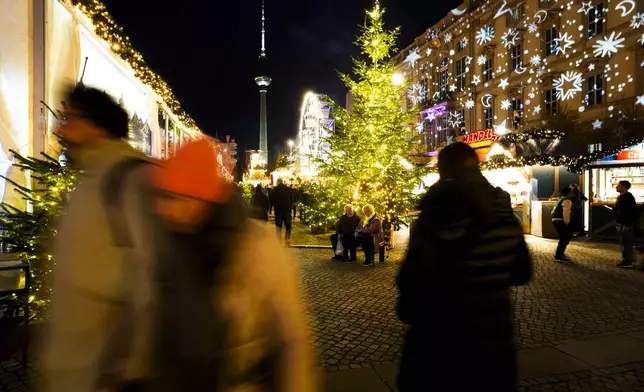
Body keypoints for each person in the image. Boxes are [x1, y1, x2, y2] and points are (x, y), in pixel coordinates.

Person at [145, 139, 318, 391]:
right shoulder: (167, 243)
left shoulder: (257, 247)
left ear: (201, 198)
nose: (164, 208)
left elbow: (291, 341)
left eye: (175, 197)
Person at [39, 86, 155, 391]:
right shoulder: (91, 177)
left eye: (70, 118)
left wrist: (130, 369)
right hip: (73, 367)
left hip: (100, 374)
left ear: (95, 126)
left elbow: (151, 278)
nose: (60, 128)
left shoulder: (127, 178)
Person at [396, 142, 532, 392]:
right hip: (496, 346)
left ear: (444, 170)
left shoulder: (441, 208)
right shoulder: (502, 210)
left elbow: (413, 279)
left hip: (441, 346)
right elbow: (522, 271)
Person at [614, 180, 637, 268]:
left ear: (624, 187)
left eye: (619, 185)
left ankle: (627, 261)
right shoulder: (624, 196)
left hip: (625, 223)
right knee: (624, 241)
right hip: (623, 223)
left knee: (626, 242)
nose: (617, 187)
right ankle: (628, 259)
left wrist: (627, 224)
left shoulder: (626, 197)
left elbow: (628, 212)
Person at [552, 187, 575, 262]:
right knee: (564, 238)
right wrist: (567, 222)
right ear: (568, 193)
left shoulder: (561, 199)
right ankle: (559, 255)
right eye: (571, 192)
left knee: (564, 237)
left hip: (556, 220)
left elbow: (553, 211)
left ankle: (560, 253)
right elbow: (566, 212)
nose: (572, 193)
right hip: (561, 220)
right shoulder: (567, 200)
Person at [270, 179, 293, 245]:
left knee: (278, 226)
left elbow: (271, 199)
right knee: (288, 226)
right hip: (287, 210)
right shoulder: (288, 189)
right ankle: (287, 240)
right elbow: (292, 198)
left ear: (278, 182)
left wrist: (272, 207)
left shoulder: (275, 190)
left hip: (278, 210)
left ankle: (278, 241)